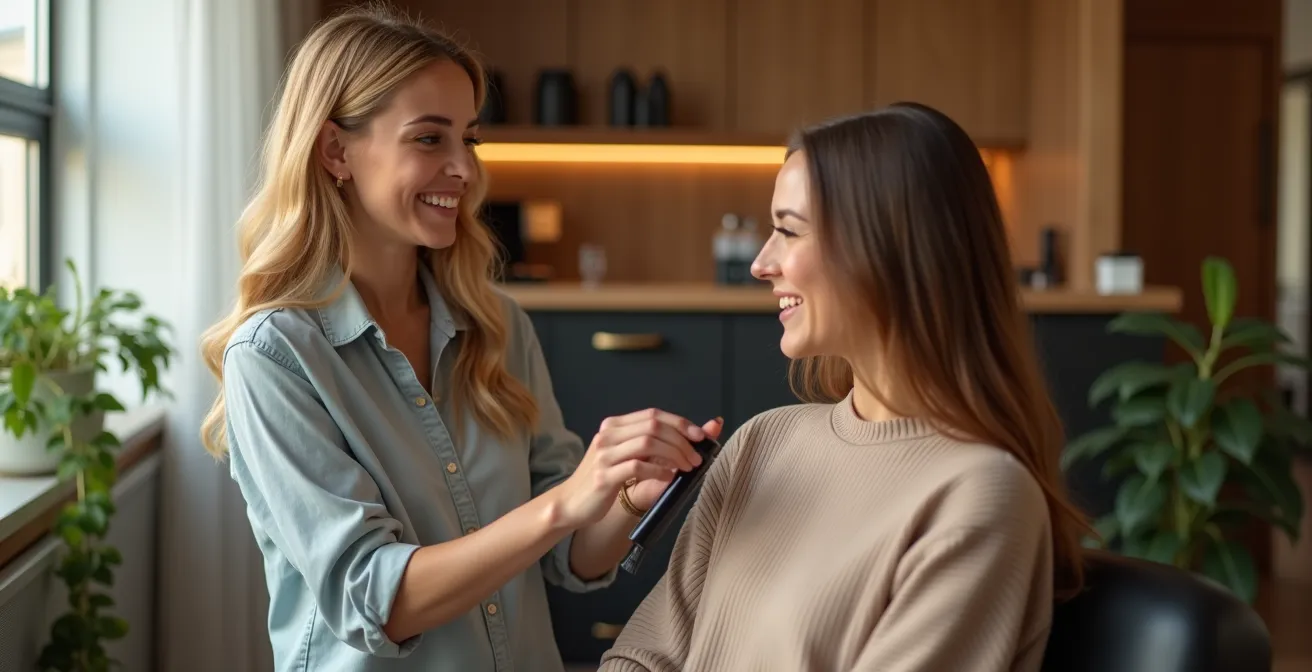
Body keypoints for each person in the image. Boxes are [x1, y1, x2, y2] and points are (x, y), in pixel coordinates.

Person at [197, 6, 720, 671]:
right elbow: (377, 597)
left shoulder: (497, 326)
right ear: (336, 151)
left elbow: (569, 558)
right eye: (428, 139)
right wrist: (565, 503)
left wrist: (620, 497)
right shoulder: (275, 356)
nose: (464, 169)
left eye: (468, 139)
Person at [598, 103, 1092, 672]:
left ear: (886, 248)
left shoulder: (978, 494)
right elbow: (644, 655)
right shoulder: (764, 442)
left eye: (787, 230)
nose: (762, 263)